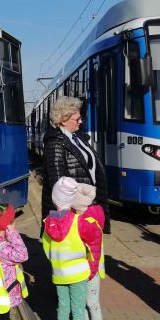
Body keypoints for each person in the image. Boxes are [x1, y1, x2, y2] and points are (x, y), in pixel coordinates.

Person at [42, 177, 101, 320]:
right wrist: (91, 267)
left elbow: (46, 248)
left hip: (59, 273)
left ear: (54, 199)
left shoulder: (47, 222)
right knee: (78, 309)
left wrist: (57, 262)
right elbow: (93, 243)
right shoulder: (80, 222)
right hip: (78, 273)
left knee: (62, 307)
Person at [41, 96, 110, 233]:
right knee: (77, 250)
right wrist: (73, 210)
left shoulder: (77, 139)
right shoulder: (55, 143)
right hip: (74, 210)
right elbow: (58, 184)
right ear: (63, 120)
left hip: (86, 206)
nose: (81, 122)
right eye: (77, 119)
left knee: (90, 248)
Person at [70, 183, 108, 320]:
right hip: (88, 267)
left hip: (89, 269)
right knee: (83, 300)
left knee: (91, 301)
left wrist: (90, 272)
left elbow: (92, 251)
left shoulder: (86, 222)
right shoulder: (92, 214)